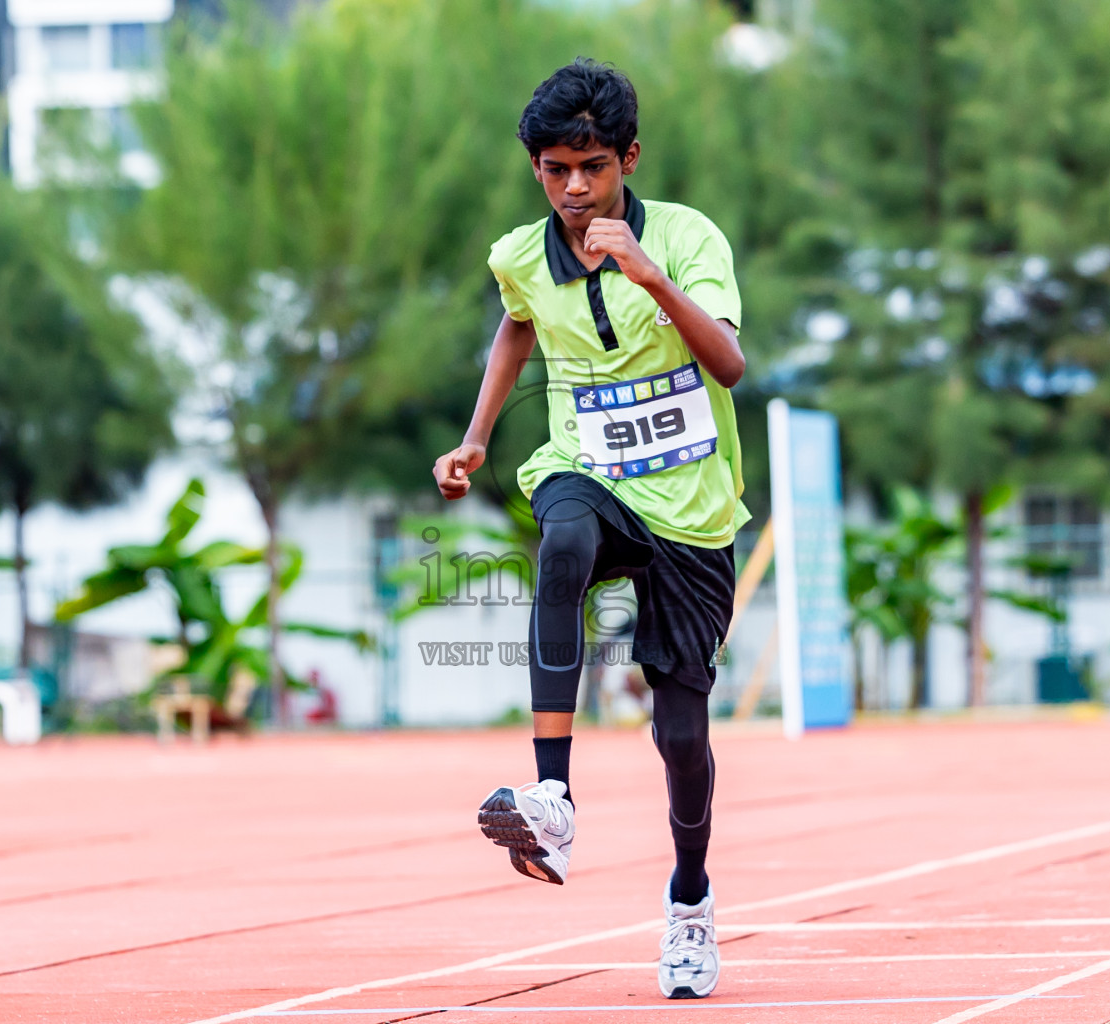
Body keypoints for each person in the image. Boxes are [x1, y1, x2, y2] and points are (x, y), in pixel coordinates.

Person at [431, 58, 748, 1001]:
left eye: (595, 168)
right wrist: (477, 435)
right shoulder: (519, 255)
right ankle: (554, 799)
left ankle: (690, 902)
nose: (576, 189)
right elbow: (516, 327)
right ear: (536, 169)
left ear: (628, 160)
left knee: (681, 733)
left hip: (691, 505)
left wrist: (650, 275)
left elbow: (729, 366)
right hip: (592, 470)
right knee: (561, 542)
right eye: (557, 170)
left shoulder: (688, 239)